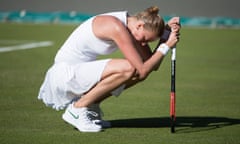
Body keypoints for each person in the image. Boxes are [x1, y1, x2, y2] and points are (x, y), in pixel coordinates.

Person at [38, 6, 181, 132]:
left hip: (79, 74)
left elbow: (151, 65)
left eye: (147, 41)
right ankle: (77, 109)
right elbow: (143, 68)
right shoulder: (116, 27)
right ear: (140, 26)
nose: (143, 43)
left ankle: (90, 106)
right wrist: (166, 46)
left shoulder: (132, 27)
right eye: (144, 39)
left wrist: (166, 35)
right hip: (65, 75)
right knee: (129, 68)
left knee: (136, 72)